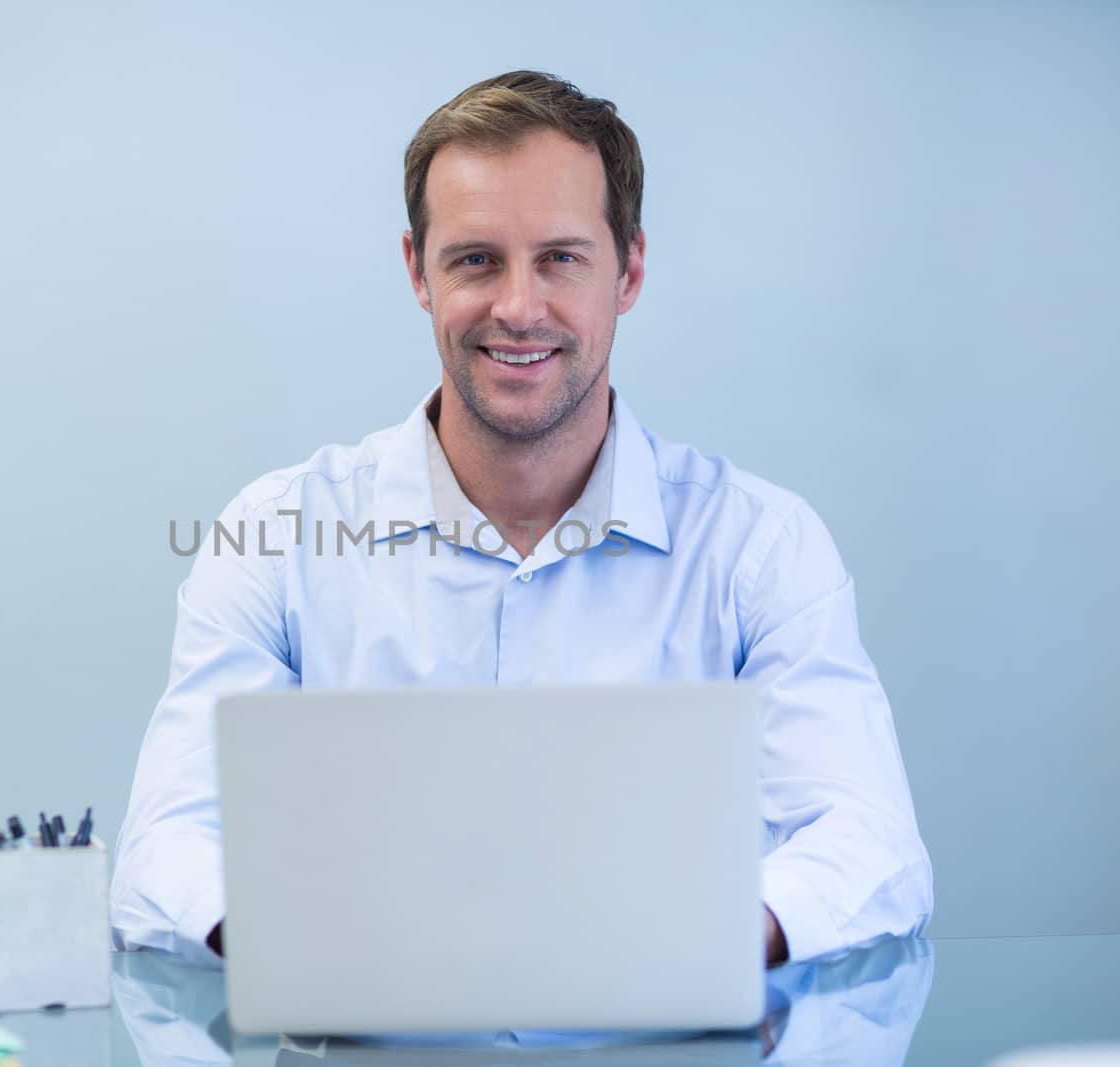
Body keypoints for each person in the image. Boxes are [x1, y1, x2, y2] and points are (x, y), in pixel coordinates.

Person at [111, 69, 933, 971]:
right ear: (417, 272)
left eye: (560, 258)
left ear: (631, 270)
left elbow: (871, 845)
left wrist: (693, 940)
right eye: (475, 259)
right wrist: (310, 946)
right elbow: (164, 851)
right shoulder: (273, 537)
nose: (517, 307)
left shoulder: (761, 547)